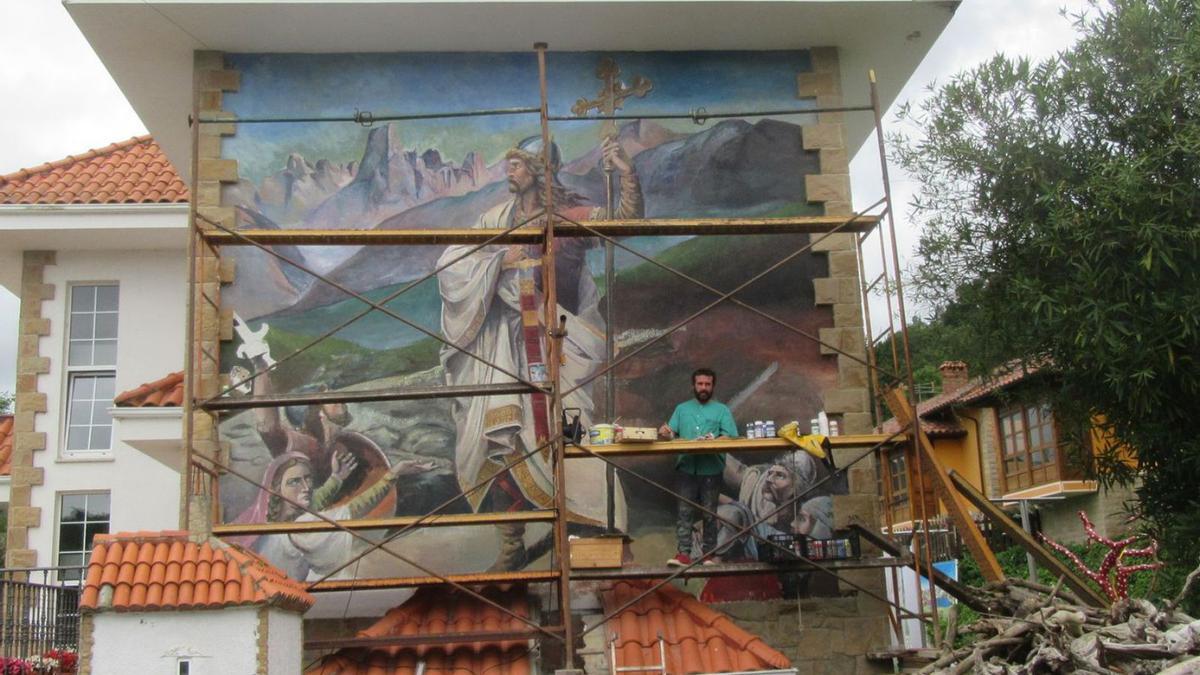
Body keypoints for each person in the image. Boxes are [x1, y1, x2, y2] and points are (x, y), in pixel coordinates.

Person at [436, 134, 643, 570]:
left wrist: (625, 173)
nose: (509, 171)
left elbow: (625, 220)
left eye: (517, 164)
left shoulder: (569, 217)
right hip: (503, 348)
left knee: (571, 433)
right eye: (508, 164)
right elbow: (453, 260)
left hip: (557, 345)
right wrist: (496, 262)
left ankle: (590, 520)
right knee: (502, 437)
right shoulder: (496, 219)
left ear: (538, 171)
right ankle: (512, 545)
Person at [233, 449, 434, 580]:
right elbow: (356, 507)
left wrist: (337, 478)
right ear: (276, 490)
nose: (306, 487)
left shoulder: (265, 523)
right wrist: (392, 475)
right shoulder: (299, 528)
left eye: (308, 479)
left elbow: (313, 501)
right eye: (294, 482)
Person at [658, 368, 737, 566]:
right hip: (687, 467)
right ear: (694, 385)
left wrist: (716, 440)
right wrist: (665, 432)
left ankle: (708, 554)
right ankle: (683, 554)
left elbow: (731, 435)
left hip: (711, 468)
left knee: (710, 513)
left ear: (713, 386)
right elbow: (670, 434)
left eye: (707, 384)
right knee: (684, 512)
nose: (703, 388)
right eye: (700, 384)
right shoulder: (682, 409)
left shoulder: (722, 410)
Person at [716, 451, 835, 560]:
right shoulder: (757, 490)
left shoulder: (810, 513)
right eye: (770, 473)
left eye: (780, 475)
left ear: (797, 488)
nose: (768, 479)